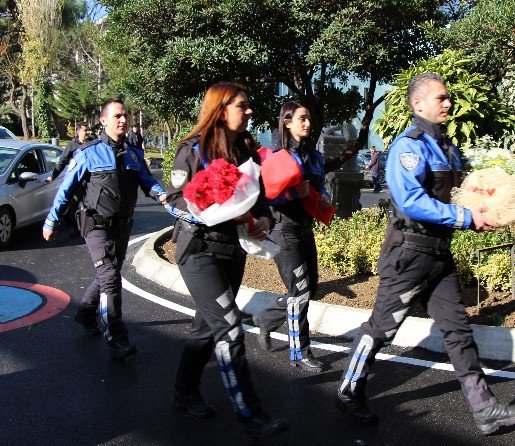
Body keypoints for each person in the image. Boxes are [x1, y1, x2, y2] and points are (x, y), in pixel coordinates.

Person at [335, 73, 515, 435]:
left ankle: (485, 410)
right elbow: (412, 202)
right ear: (418, 104)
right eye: (440, 98)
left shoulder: (448, 148)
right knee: (381, 329)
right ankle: (349, 389)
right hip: (408, 254)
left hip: (439, 255)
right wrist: (466, 217)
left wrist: (492, 198)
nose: (447, 103)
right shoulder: (408, 147)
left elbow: (464, 192)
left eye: (448, 98)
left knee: (458, 331)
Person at [164, 82, 288, 439]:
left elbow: (259, 198)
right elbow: (175, 199)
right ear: (221, 109)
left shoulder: (247, 148)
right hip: (198, 252)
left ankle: (183, 392)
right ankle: (251, 414)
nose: (250, 111)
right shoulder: (193, 149)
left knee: (206, 328)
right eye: (243, 106)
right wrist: (209, 211)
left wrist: (263, 217)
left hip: (232, 252)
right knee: (230, 327)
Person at [43, 98, 166, 360]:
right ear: (103, 121)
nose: (123, 120)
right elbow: (65, 191)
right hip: (95, 225)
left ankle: (85, 312)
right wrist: (51, 221)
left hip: (123, 226)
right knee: (110, 278)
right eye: (117, 116)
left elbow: (148, 182)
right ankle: (116, 338)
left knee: (107, 275)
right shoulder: (88, 153)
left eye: (125, 116)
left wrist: (163, 196)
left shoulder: (134, 154)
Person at [252, 101, 330, 372]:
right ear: (287, 122)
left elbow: (320, 188)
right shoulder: (276, 156)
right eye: (302, 119)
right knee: (301, 292)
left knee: (311, 288)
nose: (307, 123)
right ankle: (300, 352)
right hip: (283, 229)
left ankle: (265, 318)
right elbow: (266, 197)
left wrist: (325, 201)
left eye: (309, 118)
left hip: (305, 228)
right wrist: (290, 196)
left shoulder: (315, 157)